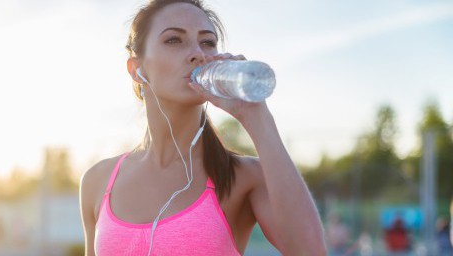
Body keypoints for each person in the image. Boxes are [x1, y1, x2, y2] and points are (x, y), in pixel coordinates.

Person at [79, 0, 325, 255]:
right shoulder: (98, 180)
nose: (198, 53)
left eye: (207, 42)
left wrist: (257, 116)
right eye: (174, 40)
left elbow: (311, 251)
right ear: (137, 69)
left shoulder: (243, 176)